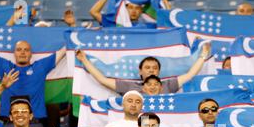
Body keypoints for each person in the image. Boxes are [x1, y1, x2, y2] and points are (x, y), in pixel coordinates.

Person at [0, 29, 67, 127]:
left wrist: (77, 32)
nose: (22, 52)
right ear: (14, 53)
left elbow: (64, 51)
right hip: (9, 125)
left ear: (31, 54)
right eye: (19, 49)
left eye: (26, 50)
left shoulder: (40, 67)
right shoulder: (6, 66)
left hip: (34, 125)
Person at [75, 42, 211, 95]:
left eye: (154, 68)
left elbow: (190, 74)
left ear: (159, 71)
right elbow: (102, 79)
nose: (151, 70)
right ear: (140, 71)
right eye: (147, 67)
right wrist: (84, 60)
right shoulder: (128, 86)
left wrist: (204, 54)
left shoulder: (169, 85)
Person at [89, 0, 171, 26]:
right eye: (130, 7)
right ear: (125, 9)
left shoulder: (148, 26)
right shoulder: (114, 23)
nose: (134, 11)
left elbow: (169, 22)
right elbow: (93, 12)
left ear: (141, 11)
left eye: (137, 8)